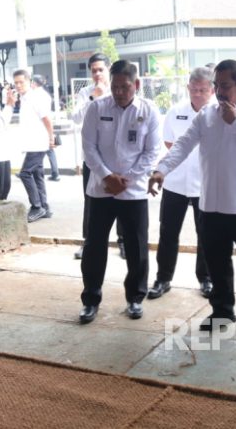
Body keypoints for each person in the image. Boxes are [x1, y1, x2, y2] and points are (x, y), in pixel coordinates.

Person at [149, 59, 236, 343]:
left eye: (225, 86)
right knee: (217, 266)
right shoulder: (206, 115)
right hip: (212, 208)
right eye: (217, 85)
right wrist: (161, 170)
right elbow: (182, 144)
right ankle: (222, 311)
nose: (219, 91)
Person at [78, 60, 161, 324]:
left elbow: (152, 152)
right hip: (100, 191)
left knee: (137, 248)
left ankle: (135, 298)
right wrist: (106, 176)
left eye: (125, 87)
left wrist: (127, 179)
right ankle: (91, 299)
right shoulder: (96, 107)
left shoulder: (149, 111)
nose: (119, 92)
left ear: (136, 85)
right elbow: (88, 147)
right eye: (115, 87)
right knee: (94, 246)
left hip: (133, 192)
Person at [147, 67, 215, 301]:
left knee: (205, 234)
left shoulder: (217, 112)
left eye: (203, 90)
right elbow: (169, 143)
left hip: (204, 184)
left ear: (212, 89)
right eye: (193, 89)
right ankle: (163, 277)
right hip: (175, 182)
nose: (197, 94)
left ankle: (206, 278)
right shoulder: (176, 112)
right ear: (187, 88)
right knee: (168, 232)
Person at [71, 53, 125, 260]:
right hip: (92, 158)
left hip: (118, 157)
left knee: (122, 197)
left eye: (101, 69)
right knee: (91, 200)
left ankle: (123, 241)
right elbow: (76, 118)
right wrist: (93, 97)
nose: (97, 74)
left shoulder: (119, 90)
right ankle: (89, 242)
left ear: (109, 69)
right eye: (93, 70)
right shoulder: (86, 92)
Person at [11, 69, 55, 223]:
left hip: (38, 143)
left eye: (21, 82)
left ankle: (37, 207)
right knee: (37, 175)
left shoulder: (35, 97)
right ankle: (44, 206)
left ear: (29, 81)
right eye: (16, 82)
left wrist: (51, 138)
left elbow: (47, 119)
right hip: (33, 143)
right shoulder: (24, 98)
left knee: (25, 173)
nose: (18, 85)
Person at [31, 74, 60, 181]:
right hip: (45, 127)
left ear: (34, 83)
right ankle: (55, 173)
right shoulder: (46, 95)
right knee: (49, 151)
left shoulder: (35, 95)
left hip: (39, 127)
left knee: (36, 151)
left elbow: (43, 116)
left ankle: (32, 173)